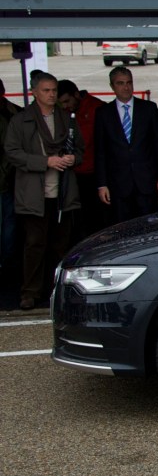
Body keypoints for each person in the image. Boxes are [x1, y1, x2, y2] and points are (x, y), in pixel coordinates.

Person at [4, 72, 84, 310]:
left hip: (62, 193)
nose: (52, 95)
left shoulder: (66, 118)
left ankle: (56, 290)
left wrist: (72, 158)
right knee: (34, 244)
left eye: (54, 90)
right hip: (33, 194)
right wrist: (45, 162)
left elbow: (80, 149)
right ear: (35, 92)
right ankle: (29, 292)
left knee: (60, 246)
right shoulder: (21, 120)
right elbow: (12, 152)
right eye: (47, 90)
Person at [95, 66, 158, 224]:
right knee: (122, 228)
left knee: (149, 225)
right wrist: (102, 184)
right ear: (112, 86)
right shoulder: (103, 113)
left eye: (129, 82)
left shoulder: (148, 108)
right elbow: (100, 152)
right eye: (120, 83)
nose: (126, 87)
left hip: (146, 181)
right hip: (118, 183)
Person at [57, 79, 105, 239]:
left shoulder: (97, 108)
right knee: (77, 217)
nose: (65, 106)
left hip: (95, 174)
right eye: (61, 103)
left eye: (66, 101)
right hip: (73, 173)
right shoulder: (63, 113)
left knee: (97, 219)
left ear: (76, 95)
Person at [0, 78, 23, 272]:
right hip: (7, 180)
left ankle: (7, 263)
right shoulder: (13, 112)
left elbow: (10, 151)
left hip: (7, 181)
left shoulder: (12, 114)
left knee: (9, 225)